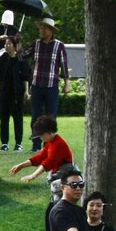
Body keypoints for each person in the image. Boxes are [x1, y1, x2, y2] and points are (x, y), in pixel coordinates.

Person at [27, 17, 69, 151]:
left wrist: (67, 83)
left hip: (51, 86)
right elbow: (23, 55)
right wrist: (17, 45)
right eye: (40, 27)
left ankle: (49, 146)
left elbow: (64, 65)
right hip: (37, 85)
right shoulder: (36, 44)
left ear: (51, 30)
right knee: (35, 116)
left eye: (44, 28)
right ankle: (36, 145)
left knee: (51, 117)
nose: (41, 30)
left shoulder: (59, 45)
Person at [0, 33, 28, 151]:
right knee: (4, 118)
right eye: (5, 44)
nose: (6, 46)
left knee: (18, 119)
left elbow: (26, 77)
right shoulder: (2, 58)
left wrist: (27, 91)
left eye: (9, 44)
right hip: (4, 93)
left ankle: (18, 143)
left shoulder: (21, 59)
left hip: (17, 94)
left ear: (15, 46)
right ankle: (4, 143)